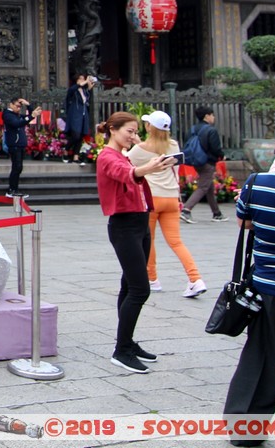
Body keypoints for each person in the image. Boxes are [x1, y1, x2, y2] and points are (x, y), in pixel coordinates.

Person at [96, 110, 178, 374]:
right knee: (140, 289)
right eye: (129, 131)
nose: (133, 136)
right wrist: (147, 168)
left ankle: (127, 343)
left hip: (140, 223)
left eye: (135, 132)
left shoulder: (121, 155)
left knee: (129, 285)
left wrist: (151, 167)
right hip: (125, 226)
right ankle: (121, 350)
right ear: (113, 129)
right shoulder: (107, 156)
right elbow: (125, 174)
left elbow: (131, 173)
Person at [223, 128, 275, 445]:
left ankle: (245, 431)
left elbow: (245, 222)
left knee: (263, 358)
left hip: (270, 288)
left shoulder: (258, 183)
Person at [126, 110, 206, 298]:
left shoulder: (140, 149)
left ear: (148, 127)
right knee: (176, 241)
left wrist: (136, 143)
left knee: (149, 240)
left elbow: (128, 162)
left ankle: (152, 279)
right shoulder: (173, 146)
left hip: (152, 198)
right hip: (171, 198)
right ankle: (195, 278)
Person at [181, 105, 227, 223]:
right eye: (212, 115)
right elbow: (215, 148)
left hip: (195, 161)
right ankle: (186, 210)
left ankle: (217, 213)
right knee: (203, 187)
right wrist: (222, 155)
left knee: (208, 186)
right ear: (207, 116)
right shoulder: (211, 130)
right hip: (208, 161)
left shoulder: (192, 129)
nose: (213, 117)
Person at [2, 97, 33, 195]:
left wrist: (28, 105)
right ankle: (12, 189)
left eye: (20, 107)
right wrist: (30, 117)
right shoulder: (7, 114)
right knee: (16, 166)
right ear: (11, 105)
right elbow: (17, 124)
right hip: (14, 144)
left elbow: (30, 116)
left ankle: (15, 188)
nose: (19, 108)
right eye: (17, 106)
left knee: (19, 167)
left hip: (20, 144)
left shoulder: (17, 115)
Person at [64, 74, 96, 164]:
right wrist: (85, 82)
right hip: (75, 115)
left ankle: (76, 156)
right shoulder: (73, 89)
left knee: (81, 136)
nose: (83, 80)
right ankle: (66, 150)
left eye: (83, 79)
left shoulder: (84, 91)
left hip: (83, 115)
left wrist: (89, 87)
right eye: (80, 79)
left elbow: (86, 100)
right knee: (76, 135)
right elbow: (72, 91)